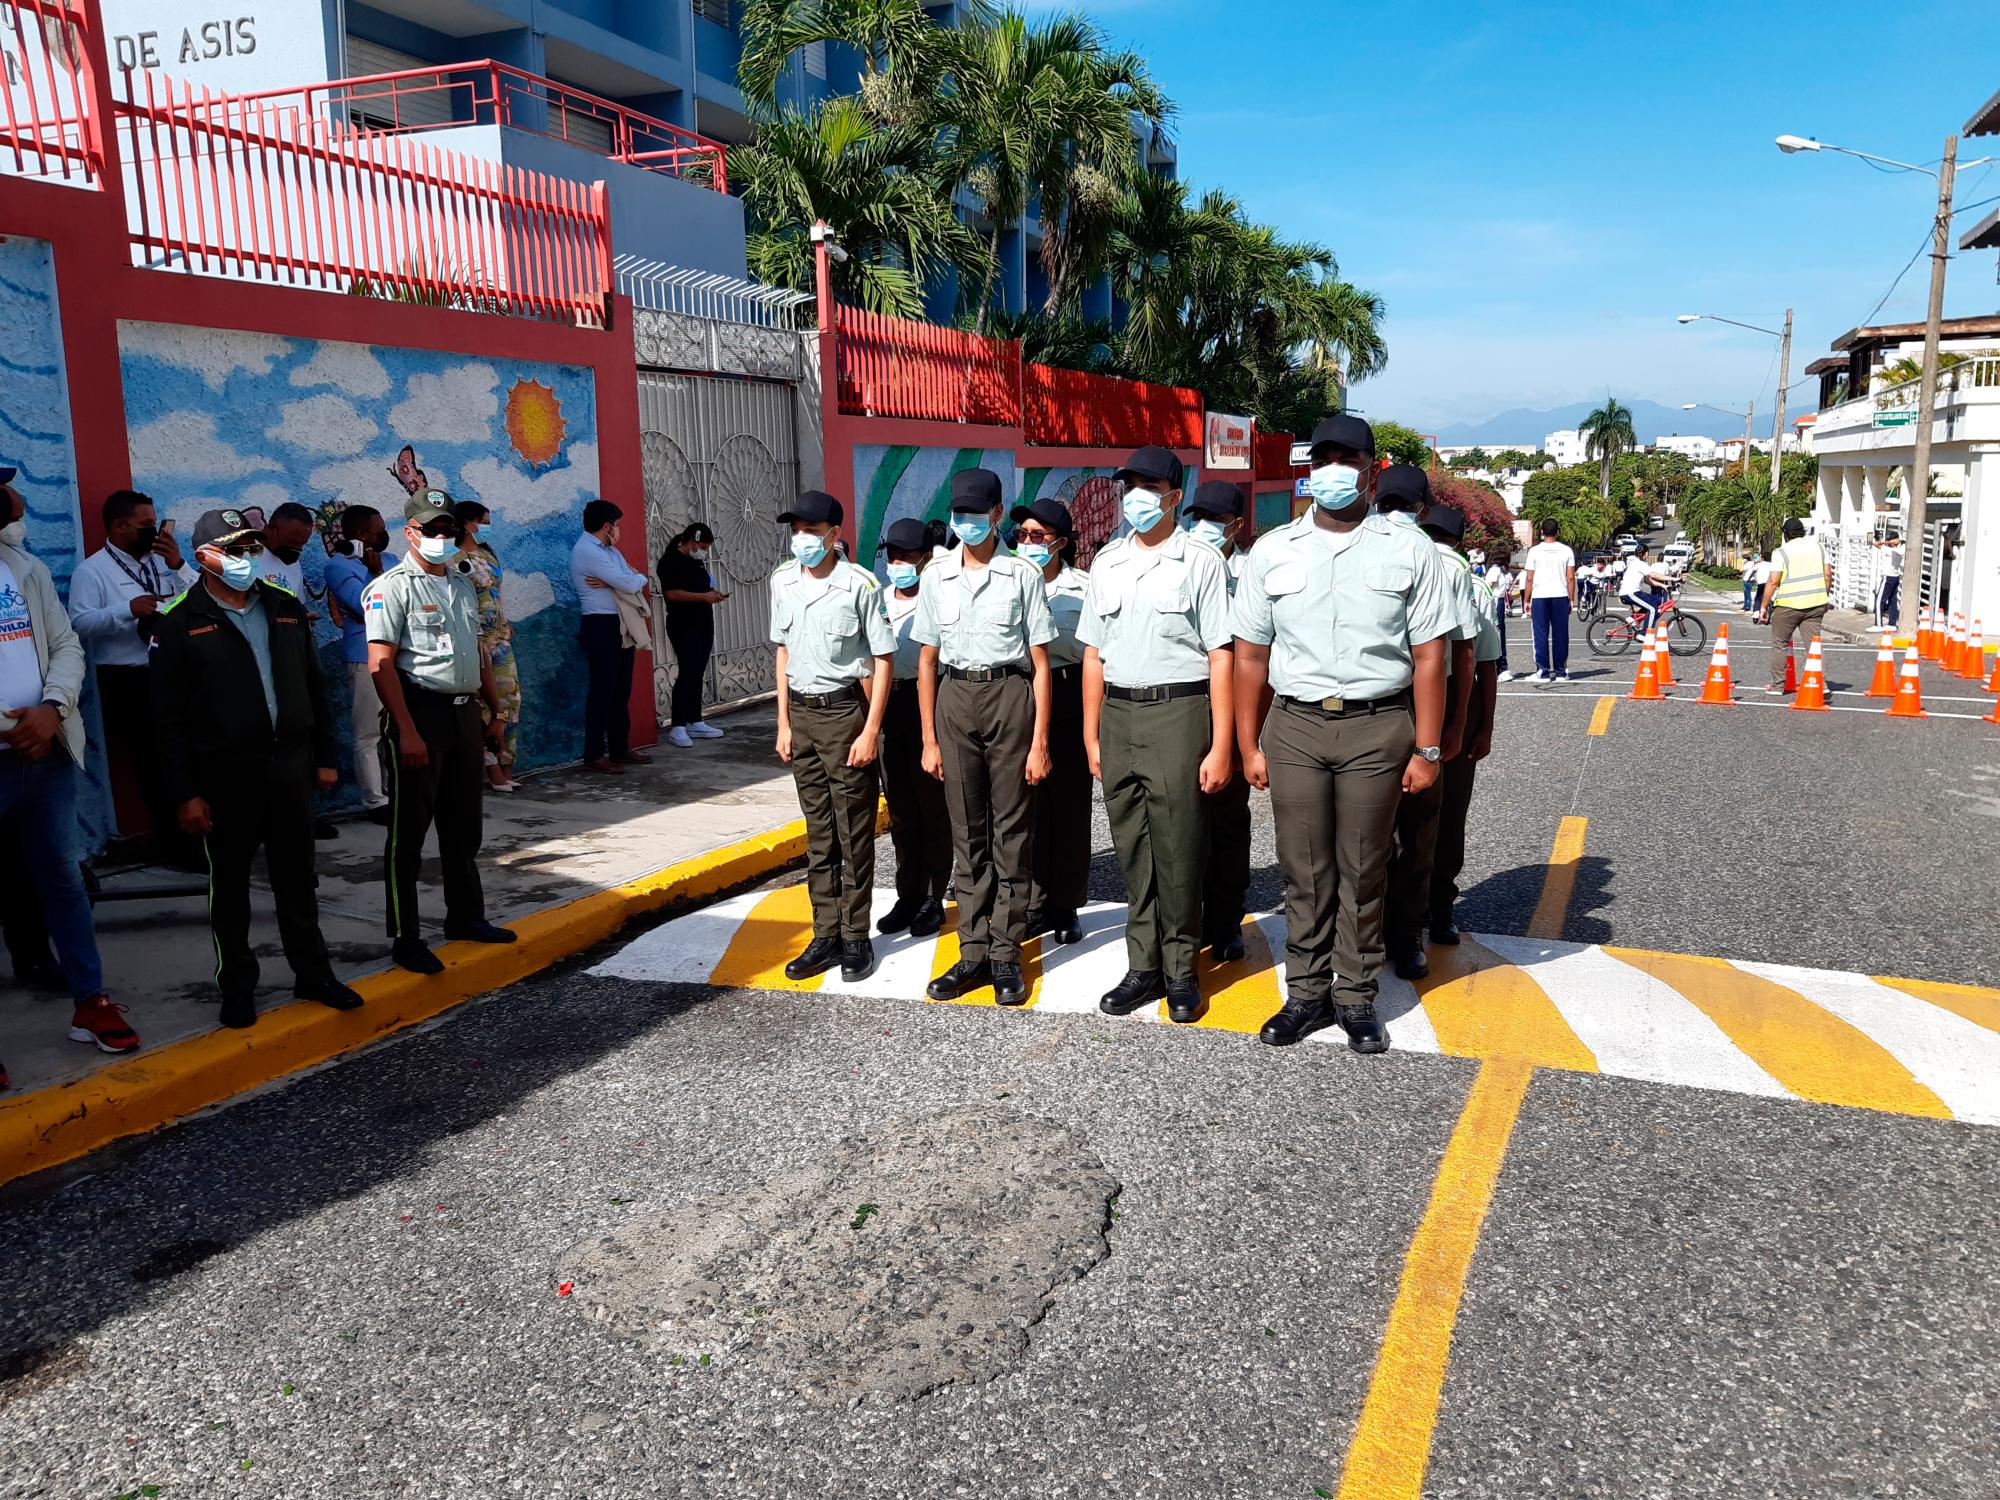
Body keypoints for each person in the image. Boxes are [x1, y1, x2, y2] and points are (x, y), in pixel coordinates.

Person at [1230, 416, 1455, 1054]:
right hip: (1296, 725)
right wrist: (1250, 742)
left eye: (1346, 458)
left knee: (1363, 866)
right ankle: (1305, 993)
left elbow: (1432, 655)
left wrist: (1429, 747)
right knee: (1304, 868)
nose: (1332, 469)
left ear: (1371, 469)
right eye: (1321, 457)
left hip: (1378, 725)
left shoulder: (1408, 550)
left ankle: (1356, 996)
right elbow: (1249, 655)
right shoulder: (1273, 550)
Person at [151, 509, 364, 1028]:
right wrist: (184, 793)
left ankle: (313, 973)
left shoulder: (284, 607)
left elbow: (314, 688)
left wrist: (325, 756)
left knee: (298, 879)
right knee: (229, 886)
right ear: (204, 557)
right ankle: (238, 985)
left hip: (289, 768)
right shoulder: (179, 620)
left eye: (249, 547)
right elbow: (165, 719)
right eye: (234, 549)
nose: (246, 558)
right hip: (224, 777)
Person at [1080, 451, 1233, 1023]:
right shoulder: (1107, 562)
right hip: (1119, 714)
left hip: (1178, 711)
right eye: (1130, 485)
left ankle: (1180, 969)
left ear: (1175, 493)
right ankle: (1141, 966)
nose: (1137, 496)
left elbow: (1221, 654)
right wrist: (1092, 734)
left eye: (1150, 485)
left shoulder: (1201, 560)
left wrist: (1220, 744)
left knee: (1179, 847)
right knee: (1132, 848)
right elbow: (1094, 653)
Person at [0, 467, 138, 1085]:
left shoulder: (20, 567)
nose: (9, 501)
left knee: (62, 880)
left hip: (46, 751)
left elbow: (66, 647)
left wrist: (52, 710)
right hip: (14, 744)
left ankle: (90, 1000)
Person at [915, 468, 1056, 1006]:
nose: (966, 523)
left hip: (1008, 695)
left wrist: (1040, 742)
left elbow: (1041, 665)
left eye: (976, 514)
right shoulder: (936, 575)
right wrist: (928, 737)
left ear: (997, 514)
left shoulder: (1021, 575)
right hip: (955, 698)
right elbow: (927, 661)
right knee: (967, 831)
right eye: (960, 515)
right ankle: (972, 951)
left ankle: (1005, 954)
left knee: (1011, 832)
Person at [365, 489, 517, 974]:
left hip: (463, 715)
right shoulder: (391, 588)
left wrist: (494, 713)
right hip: (419, 715)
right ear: (410, 532)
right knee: (407, 836)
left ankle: (466, 917)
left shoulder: (460, 583)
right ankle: (406, 938)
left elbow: (477, 652)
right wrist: (407, 731)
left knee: (462, 825)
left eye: (448, 529)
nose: (441, 537)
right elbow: (381, 666)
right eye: (431, 530)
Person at [769, 489, 894, 983]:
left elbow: (882, 660)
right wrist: (781, 722)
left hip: (845, 715)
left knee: (853, 831)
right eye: (796, 530)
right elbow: (782, 654)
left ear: (834, 536)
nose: (802, 539)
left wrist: (870, 730)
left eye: (811, 531)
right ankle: (825, 934)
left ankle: (856, 935)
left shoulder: (858, 585)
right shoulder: (783, 581)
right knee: (818, 833)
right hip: (801, 716)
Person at [1376, 467, 1479, 981]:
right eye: (1387, 501)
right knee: (1365, 832)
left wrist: (1450, 730)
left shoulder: (1444, 567)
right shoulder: (1353, 551)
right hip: (1367, 708)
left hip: (1419, 708)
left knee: (1416, 831)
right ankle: (1366, 932)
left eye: (1402, 503)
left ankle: (1408, 932)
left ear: (1422, 510)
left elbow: (1461, 653)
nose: (1394, 512)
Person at [67, 488, 193, 856]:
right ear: (121, 527)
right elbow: (79, 623)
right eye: (147, 525)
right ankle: (176, 844)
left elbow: (199, 598)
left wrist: (177, 566)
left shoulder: (159, 563)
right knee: (152, 761)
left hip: (172, 670)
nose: (155, 532)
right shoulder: (92, 571)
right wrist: (127, 610)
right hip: (128, 678)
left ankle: (197, 831)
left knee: (184, 753)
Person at [1419, 504, 1501, 948]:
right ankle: (1439, 908)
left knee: (1404, 819)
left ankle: (1415, 911)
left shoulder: (1411, 571)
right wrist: (1480, 726)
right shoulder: (1473, 585)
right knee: (1449, 816)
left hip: (1412, 702)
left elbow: (1481, 660)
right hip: (1456, 705)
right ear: (1462, 539)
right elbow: (1486, 665)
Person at [1012, 496, 1091, 949]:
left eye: (1037, 536)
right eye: (1021, 535)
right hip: (1017, 690)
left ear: (1060, 542)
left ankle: (1064, 904)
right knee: (1022, 805)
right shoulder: (1006, 581)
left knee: (1068, 804)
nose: (1027, 543)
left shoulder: (1083, 588)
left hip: (1067, 692)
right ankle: (1030, 900)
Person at [1185, 479, 1254, 963]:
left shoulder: (1252, 572)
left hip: (1232, 706)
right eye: (1198, 518)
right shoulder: (1182, 565)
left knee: (1227, 822)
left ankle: (1225, 921)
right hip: (1184, 706)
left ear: (1237, 525)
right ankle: (1184, 918)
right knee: (1182, 822)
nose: (1204, 528)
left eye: (1215, 520)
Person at [875, 517, 950, 940]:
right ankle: (908, 894)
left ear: (925, 558)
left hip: (931, 703)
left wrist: (932, 735)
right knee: (901, 810)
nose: (898, 562)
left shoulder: (938, 599)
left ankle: (934, 898)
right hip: (891, 705)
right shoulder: (880, 598)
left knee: (932, 808)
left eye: (906, 556)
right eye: (892, 555)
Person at [570, 499, 652, 774]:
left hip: (618, 624)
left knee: (621, 690)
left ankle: (620, 747)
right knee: (603, 691)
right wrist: (626, 579)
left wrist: (623, 579)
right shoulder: (588, 551)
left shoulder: (609, 551)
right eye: (616, 526)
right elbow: (631, 581)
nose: (618, 531)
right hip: (600, 625)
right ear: (607, 526)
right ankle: (594, 754)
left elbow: (633, 576)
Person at [323, 505, 392, 820]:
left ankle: (396, 791)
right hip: (364, 657)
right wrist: (375, 576)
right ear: (362, 535)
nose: (384, 534)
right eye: (379, 530)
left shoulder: (391, 560)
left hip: (397, 655)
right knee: (368, 733)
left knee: (397, 731)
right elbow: (366, 605)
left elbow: (409, 602)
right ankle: (376, 801)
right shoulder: (338, 566)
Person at [454, 501, 520, 791]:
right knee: (481, 705)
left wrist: (506, 620)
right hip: (474, 636)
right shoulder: (453, 558)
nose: (486, 527)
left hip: (500, 636)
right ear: (468, 522)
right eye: (483, 521)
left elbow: (497, 591)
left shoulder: (487, 553)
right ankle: (490, 769)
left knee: (510, 700)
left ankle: (506, 764)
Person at [655, 522, 729, 749]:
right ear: (693, 540)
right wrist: (703, 598)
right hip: (683, 624)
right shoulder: (670, 561)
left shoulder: (696, 562)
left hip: (703, 622)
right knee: (687, 671)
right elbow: (672, 594)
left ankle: (695, 719)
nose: (704, 551)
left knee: (698, 671)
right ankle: (677, 725)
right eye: (703, 546)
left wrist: (713, 595)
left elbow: (702, 589)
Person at [1758, 517, 1833, 694]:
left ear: (1785, 534)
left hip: (1787, 606)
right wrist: (1824, 597)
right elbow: (1828, 575)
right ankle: (1820, 684)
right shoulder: (1819, 548)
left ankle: (1778, 686)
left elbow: (1773, 581)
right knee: (1813, 645)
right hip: (1815, 604)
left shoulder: (1781, 552)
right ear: (1803, 532)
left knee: (1780, 644)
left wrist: (1763, 606)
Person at [1522, 518, 1577, 683]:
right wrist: (1571, 598)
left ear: (1541, 532)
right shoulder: (1566, 550)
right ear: (1557, 532)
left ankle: (1543, 671)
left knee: (1540, 634)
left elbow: (1529, 578)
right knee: (1561, 634)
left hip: (1540, 596)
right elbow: (1571, 577)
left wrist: (1526, 599)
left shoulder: (1534, 551)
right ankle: (1561, 671)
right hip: (1560, 595)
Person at [256, 502, 318, 605]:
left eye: (302, 544)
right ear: (271, 527)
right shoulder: (244, 556)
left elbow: (298, 606)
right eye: (291, 542)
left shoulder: (294, 565)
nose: (296, 549)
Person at [1618, 542, 1670, 635]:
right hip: (1631, 593)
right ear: (1645, 553)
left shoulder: (1637, 563)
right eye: (1647, 553)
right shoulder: (1640, 564)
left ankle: (1632, 619)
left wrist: (1663, 585)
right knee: (1653, 609)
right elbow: (1653, 575)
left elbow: (1647, 580)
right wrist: (1674, 579)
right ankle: (1644, 634)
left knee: (1657, 601)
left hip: (1634, 593)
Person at [1487, 558, 1514, 682]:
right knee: (1498, 634)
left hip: (1500, 601)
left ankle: (1501, 666)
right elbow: (1488, 587)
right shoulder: (1495, 570)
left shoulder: (1499, 570)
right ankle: (1500, 667)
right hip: (1496, 601)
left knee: (1500, 634)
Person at [1875, 534, 1903, 630]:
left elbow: (1876, 544)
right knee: (1893, 601)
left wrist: (1883, 541)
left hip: (1888, 577)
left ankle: (1878, 624)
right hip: (1895, 577)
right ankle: (1892, 623)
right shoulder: (1901, 549)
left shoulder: (1891, 550)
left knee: (1879, 601)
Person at [1741, 549, 1762, 613]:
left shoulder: (1748, 563)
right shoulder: (1752, 563)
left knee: (1747, 593)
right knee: (1746, 593)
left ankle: (1747, 606)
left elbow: (1742, 569)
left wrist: (1743, 563)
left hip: (1748, 580)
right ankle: (1745, 605)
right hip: (1749, 579)